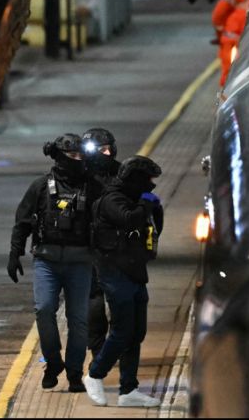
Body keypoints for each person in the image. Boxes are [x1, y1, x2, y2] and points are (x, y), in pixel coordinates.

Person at [8, 134, 97, 393]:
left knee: (78, 319)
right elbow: (22, 222)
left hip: (80, 262)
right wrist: (15, 253)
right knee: (44, 310)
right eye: (72, 156)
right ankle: (54, 362)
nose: (78, 161)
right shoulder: (39, 187)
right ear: (58, 157)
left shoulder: (92, 187)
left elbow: (106, 219)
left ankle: (74, 373)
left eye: (82, 156)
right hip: (47, 262)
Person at [83, 155, 164, 408]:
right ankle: (95, 375)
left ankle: (128, 389)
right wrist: (146, 205)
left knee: (137, 332)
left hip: (134, 271)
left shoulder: (132, 198)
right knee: (122, 330)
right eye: (148, 180)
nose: (151, 185)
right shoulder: (112, 199)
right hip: (114, 273)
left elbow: (152, 228)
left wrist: (152, 208)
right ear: (135, 179)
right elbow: (129, 219)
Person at [80, 128, 121, 361]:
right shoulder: (80, 176)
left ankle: (114, 346)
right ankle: (98, 349)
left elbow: (149, 209)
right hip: (91, 248)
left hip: (117, 247)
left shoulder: (122, 174)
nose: (106, 153)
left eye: (108, 149)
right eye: (101, 149)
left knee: (119, 301)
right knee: (94, 300)